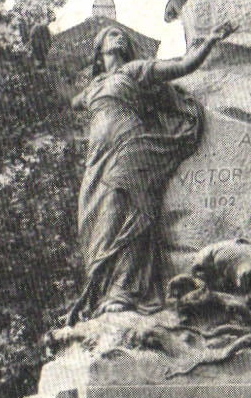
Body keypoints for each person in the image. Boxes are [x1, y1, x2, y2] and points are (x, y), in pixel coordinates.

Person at [69, 23, 232, 317]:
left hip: (131, 146)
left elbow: (183, 65)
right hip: (98, 158)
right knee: (92, 220)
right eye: (110, 34)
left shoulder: (134, 70)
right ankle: (103, 292)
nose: (118, 36)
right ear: (99, 50)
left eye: (121, 34)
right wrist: (39, 63)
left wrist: (209, 41)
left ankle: (123, 290)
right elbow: (64, 99)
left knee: (128, 212)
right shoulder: (93, 87)